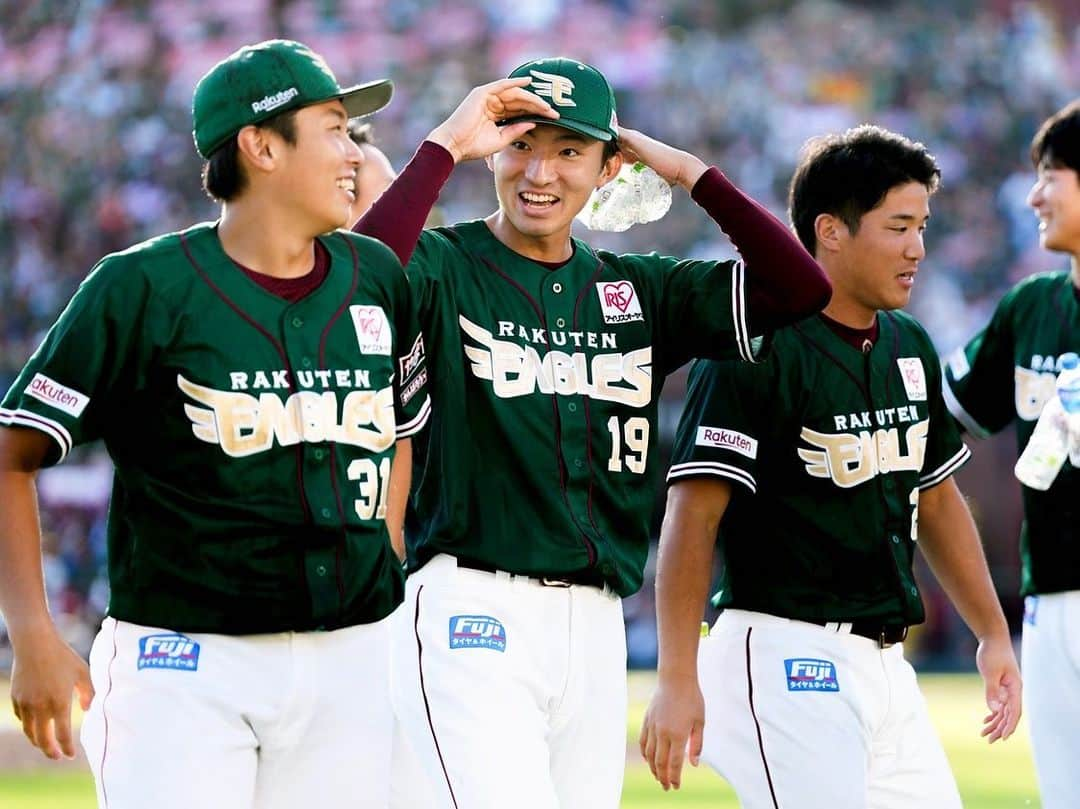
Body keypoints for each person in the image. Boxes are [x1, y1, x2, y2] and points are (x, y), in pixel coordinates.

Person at [353, 57, 832, 808]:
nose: (540, 171)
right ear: (494, 150)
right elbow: (356, 281)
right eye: (520, 144)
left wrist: (687, 172)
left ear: (610, 166)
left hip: (598, 624)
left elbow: (800, 287)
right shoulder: (445, 266)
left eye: (570, 151)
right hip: (472, 608)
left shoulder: (640, 288)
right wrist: (446, 143)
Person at [0, 38, 444, 808]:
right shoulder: (140, 286)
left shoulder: (375, 278)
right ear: (262, 146)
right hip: (184, 665)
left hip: (353, 658)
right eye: (335, 128)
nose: (355, 153)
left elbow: (401, 432)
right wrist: (32, 631)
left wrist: (388, 551)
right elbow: (13, 452)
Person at [640, 125, 1022, 808]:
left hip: (886, 665)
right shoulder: (756, 346)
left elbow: (935, 499)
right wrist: (676, 674)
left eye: (923, 226)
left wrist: (993, 632)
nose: (918, 248)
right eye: (899, 226)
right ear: (831, 230)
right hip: (784, 651)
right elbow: (693, 514)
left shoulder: (909, 342)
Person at [942, 99, 1080, 809]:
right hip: (1048, 600)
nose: (1034, 194)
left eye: (1052, 174)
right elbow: (939, 421)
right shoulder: (1031, 308)